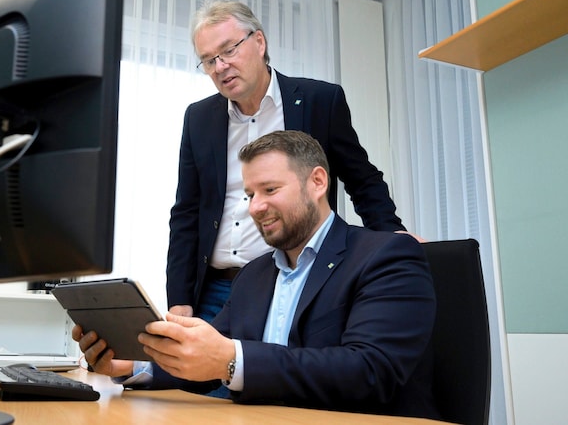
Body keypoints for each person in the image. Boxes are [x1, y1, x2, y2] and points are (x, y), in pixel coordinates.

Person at [73, 130, 440, 419]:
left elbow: (370, 371)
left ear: (317, 182)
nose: (255, 207)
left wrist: (231, 359)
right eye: (250, 194)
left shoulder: (387, 255)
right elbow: (207, 357)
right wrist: (131, 363)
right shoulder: (253, 274)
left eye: (270, 190)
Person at [167, 0, 413, 322]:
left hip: (296, 277)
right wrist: (180, 299)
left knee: (286, 371)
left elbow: (362, 179)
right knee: (203, 372)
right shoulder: (199, 118)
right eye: (209, 60)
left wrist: (392, 235)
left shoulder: (319, 101)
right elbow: (186, 211)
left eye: (228, 51)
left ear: (258, 42)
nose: (221, 66)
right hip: (216, 289)